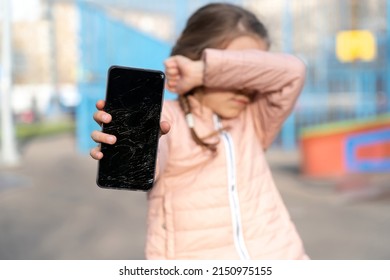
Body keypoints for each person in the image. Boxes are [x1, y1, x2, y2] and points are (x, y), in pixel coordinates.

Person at [90, 3, 308, 259]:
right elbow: (157, 153)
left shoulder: (255, 118)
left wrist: (205, 71)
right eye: (231, 72)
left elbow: (294, 70)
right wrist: (137, 152)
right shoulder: (170, 117)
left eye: (248, 72)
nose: (246, 87)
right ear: (194, 57)